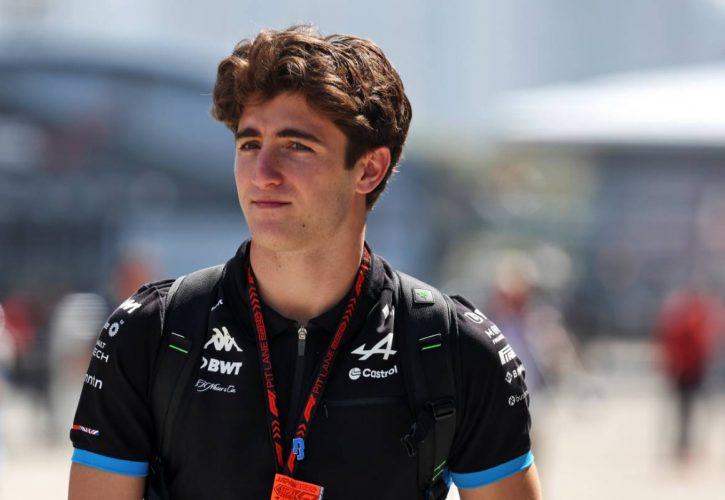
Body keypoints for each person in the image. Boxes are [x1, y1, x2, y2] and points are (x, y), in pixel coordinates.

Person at [68, 26, 542, 500]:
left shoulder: (454, 346)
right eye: (249, 144)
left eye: (296, 146)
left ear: (369, 168)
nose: (263, 174)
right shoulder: (152, 332)